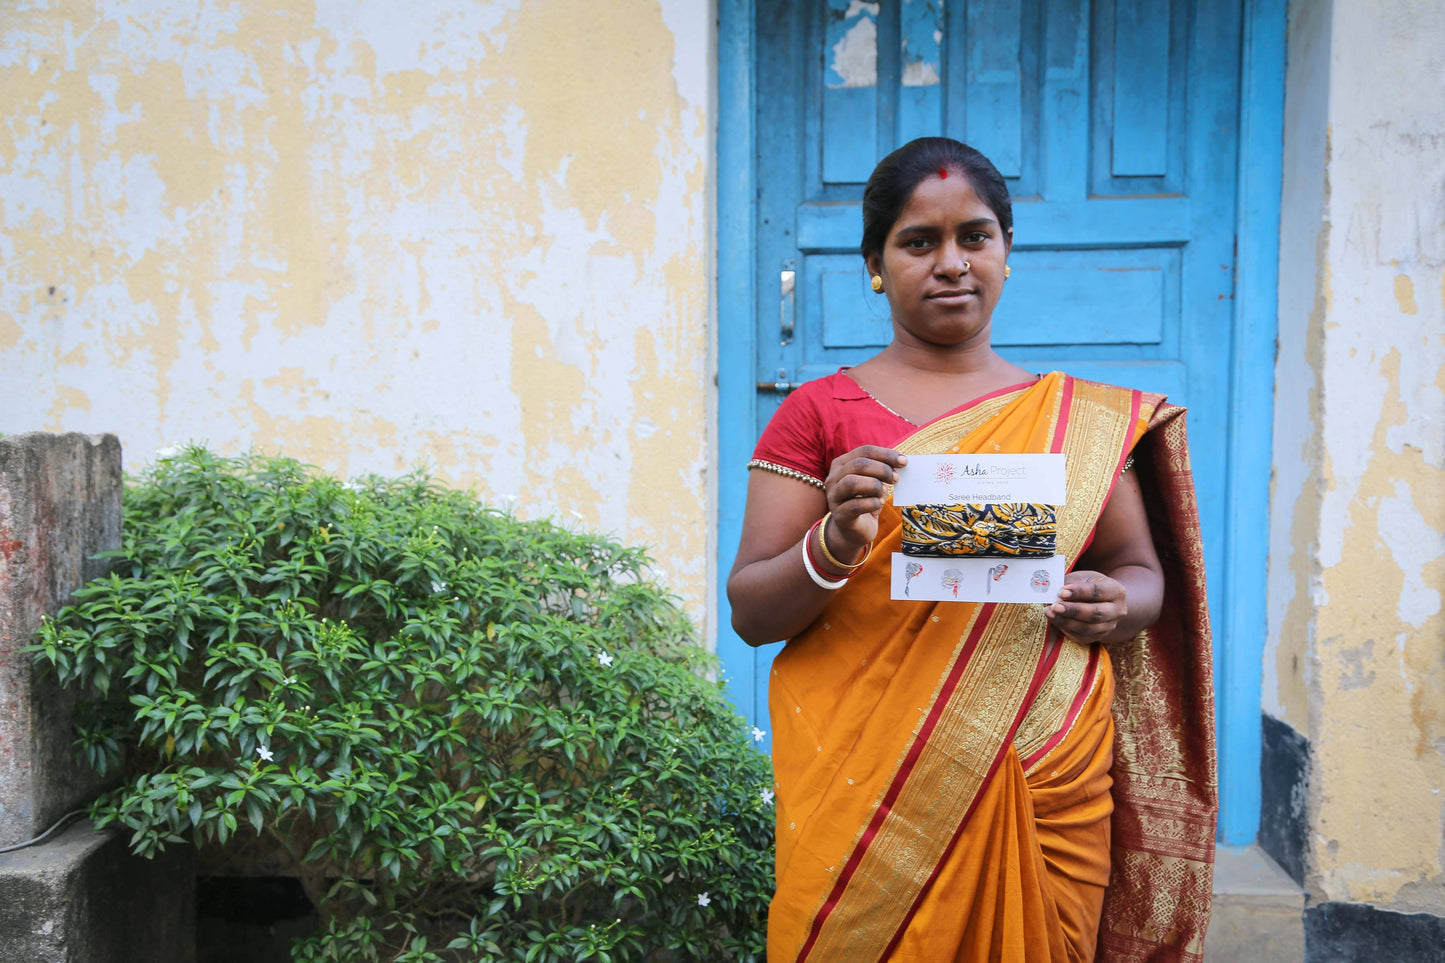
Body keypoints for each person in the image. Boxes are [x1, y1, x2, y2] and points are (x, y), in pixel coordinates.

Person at [727, 138, 1217, 962]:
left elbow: (1140, 573)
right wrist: (834, 541)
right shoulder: (818, 414)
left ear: (1007, 251)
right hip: (865, 786)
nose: (950, 263)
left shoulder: (1076, 423)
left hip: (1039, 768)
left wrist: (1118, 603)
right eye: (918, 242)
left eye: (974, 236)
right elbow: (750, 612)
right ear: (875, 264)